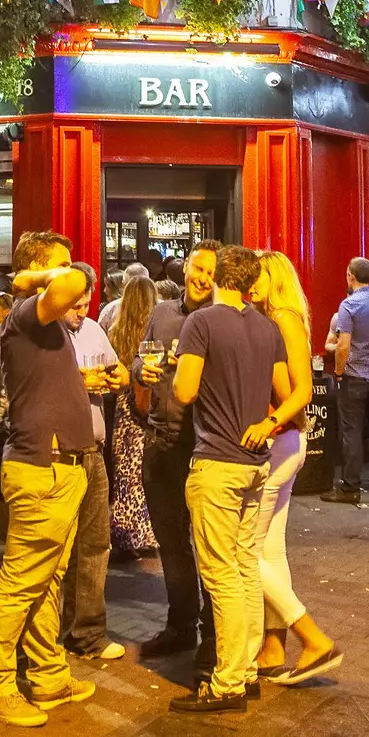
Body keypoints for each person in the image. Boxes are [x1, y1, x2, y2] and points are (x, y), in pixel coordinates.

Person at [169, 244, 306, 715]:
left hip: (217, 460)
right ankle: (246, 670)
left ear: (220, 276)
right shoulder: (267, 327)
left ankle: (226, 682)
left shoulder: (201, 323)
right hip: (256, 461)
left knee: (221, 572)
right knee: (246, 566)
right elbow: (286, 394)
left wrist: (177, 368)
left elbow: (185, 391)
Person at [0, 231, 97, 727]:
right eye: (59, 262)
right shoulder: (28, 311)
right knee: (21, 582)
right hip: (42, 469)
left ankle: (47, 674)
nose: (74, 271)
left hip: (61, 468)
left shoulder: (42, 324)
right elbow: (71, 281)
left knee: (46, 580)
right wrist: (38, 276)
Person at [250, 251, 342, 681]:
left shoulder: (281, 319)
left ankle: (312, 636)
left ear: (276, 279)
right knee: (270, 548)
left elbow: (295, 390)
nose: (251, 284)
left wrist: (269, 414)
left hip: (277, 442)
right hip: (288, 440)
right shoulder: (283, 317)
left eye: (259, 277)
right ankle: (273, 647)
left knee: (242, 551)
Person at [132, 240, 219, 669]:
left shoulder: (222, 320)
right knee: (170, 543)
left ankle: (214, 635)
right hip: (161, 440)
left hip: (203, 443)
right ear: (185, 268)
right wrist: (140, 370)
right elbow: (139, 358)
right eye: (198, 268)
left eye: (211, 272)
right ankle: (181, 624)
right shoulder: (164, 312)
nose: (203, 278)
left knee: (208, 545)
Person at [56, 263, 128, 661]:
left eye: (86, 304)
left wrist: (117, 379)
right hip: (57, 454)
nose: (81, 312)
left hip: (93, 453)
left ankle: (87, 633)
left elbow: (116, 370)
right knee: (55, 551)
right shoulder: (43, 331)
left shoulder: (93, 330)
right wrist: (80, 382)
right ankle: (48, 637)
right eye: (75, 305)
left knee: (95, 545)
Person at [321, 257, 369, 506]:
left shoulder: (349, 305)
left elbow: (343, 345)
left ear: (349, 276)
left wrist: (340, 373)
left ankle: (350, 486)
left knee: (351, 431)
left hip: (354, 376)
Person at [106, 276, 160, 560]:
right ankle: (146, 534)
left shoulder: (116, 331)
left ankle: (124, 532)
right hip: (150, 408)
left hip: (124, 408)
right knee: (145, 473)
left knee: (125, 473)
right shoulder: (154, 335)